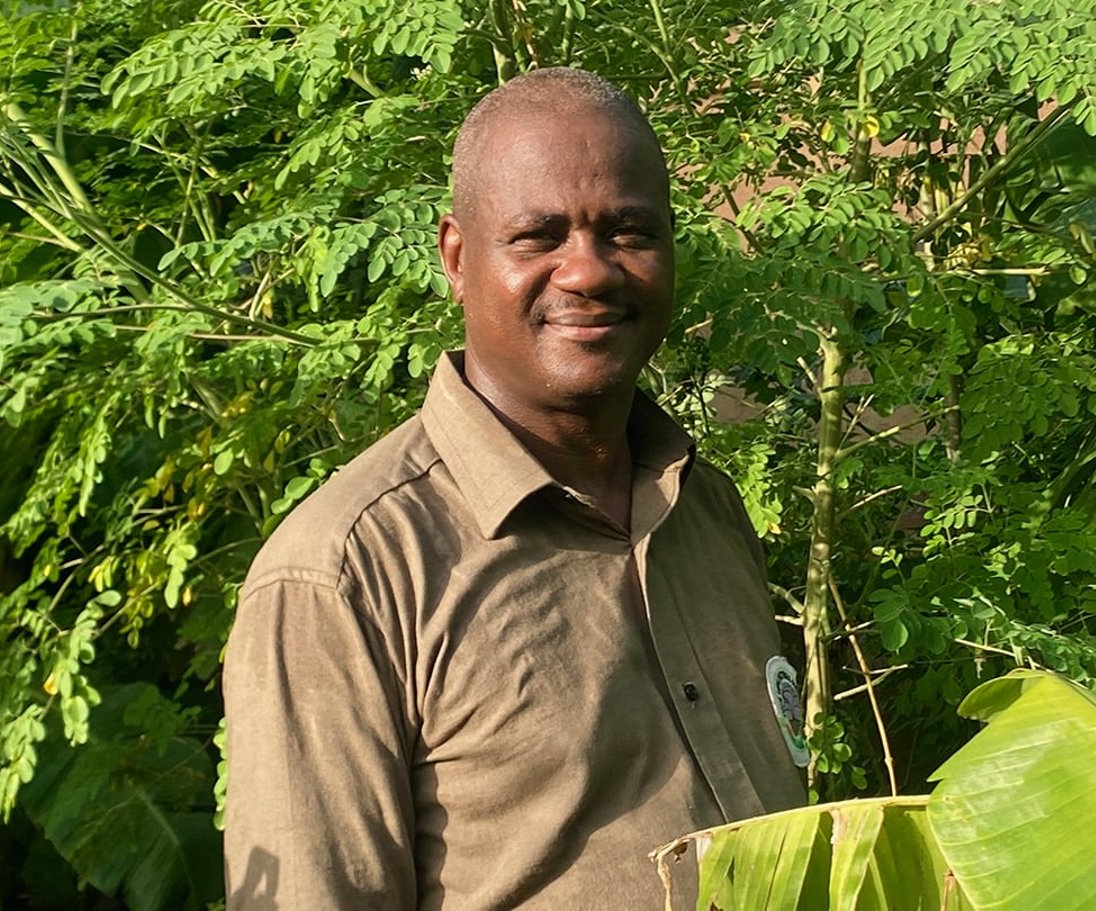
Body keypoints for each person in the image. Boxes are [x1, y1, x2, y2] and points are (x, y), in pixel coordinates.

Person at [223, 67, 807, 911]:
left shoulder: (705, 507)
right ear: (458, 259)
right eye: (538, 236)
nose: (589, 272)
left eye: (629, 231)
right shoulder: (348, 574)